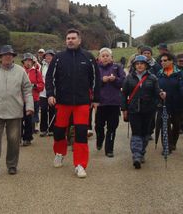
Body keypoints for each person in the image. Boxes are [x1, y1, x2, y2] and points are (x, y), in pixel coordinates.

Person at [46, 29, 101, 178]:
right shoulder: (58, 58)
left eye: (73, 38)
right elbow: (49, 78)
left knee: (81, 133)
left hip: (82, 102)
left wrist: (96, 98)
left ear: (79, 40)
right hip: (62, 102)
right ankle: (59, 152)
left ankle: (80, 165)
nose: (70, 40)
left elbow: (96, 79)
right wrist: (50, 94)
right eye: (68, 38)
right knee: (58, 132)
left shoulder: (88, 57)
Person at [0, 45, 34, 177]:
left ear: (13, 57)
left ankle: (12, 165)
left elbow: (27, 90)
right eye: (5, 55)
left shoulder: (21, 71)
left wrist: (30, 106)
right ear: (1, 57)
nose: (8, 57)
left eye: (10, 55)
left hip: (15, 111)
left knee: (14, 139)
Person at [122, 55, 166, 169]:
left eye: (142, 63)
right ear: (134, 66)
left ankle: (141, 153)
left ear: (146, 65)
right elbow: (123, 95)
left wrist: (161, 95)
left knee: (146, 133)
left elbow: (157, 93)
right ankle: (136, 156)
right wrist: (124, 109)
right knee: (136, 132)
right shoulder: (129, 78)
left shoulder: (153, 78)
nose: (139, 65)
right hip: (133, 110)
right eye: (137, 64)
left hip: (149, 110)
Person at [95, 47, 126, 157]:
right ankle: (99, 139)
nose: (105, 58)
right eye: (103, 56)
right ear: (99, 58)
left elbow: (123, 82)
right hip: (100, 103)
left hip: (114, 103)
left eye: (107, 56)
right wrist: (101, 81)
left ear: (111, 58)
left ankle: (109, 149)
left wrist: (115, 80)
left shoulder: (117, 67)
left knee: (112, 127)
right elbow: (91, 83)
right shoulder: (96, 68)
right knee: (98, 126)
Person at [156, 53, 183, 153]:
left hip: (177, 104)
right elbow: (156, 88)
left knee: (176, 125)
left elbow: (182, 88)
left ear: (171, 61)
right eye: (161, 61)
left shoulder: (179, 74)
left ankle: (173, 143)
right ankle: (166, 146)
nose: (163, 62)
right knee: (164, 125)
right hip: (163, 104)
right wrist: (159, 93)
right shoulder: (158, 74)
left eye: (165, 60)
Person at [21, 53, 45, 146]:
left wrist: (35, 86)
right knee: (18, 119)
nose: (28, 63)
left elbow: (41, 86)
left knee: (29, 120)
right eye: (26, 61)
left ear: (32, 62)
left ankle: (27, 138)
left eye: (30, 61)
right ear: (23, 62)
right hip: (20, 99)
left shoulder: (36, 72)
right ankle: (19, 136)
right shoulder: (19, 71)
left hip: (33, 99)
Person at [39, 49, 56, 137]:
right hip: (43, 92)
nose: (48, 57)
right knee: (44, 110)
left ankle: (52, 129)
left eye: (50, 55)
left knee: (52, 110)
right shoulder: (42, 66)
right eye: (47, 55)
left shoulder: (56, 66)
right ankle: (43, 129)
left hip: (53, 92)